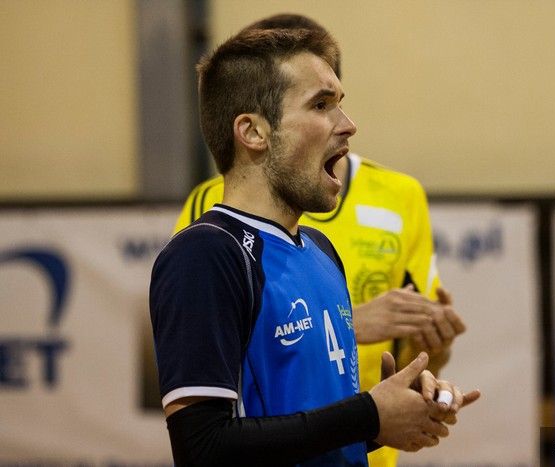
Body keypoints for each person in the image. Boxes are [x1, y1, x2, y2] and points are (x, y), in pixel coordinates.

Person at [150, 27, 479, 466]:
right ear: (253, 131)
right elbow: (202, 448)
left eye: (340, 103)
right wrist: (368, 414)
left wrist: (387, 417)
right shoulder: (206, 254)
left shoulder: (321, 251)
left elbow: (308, 432)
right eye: (322, 105)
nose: (348, 124)